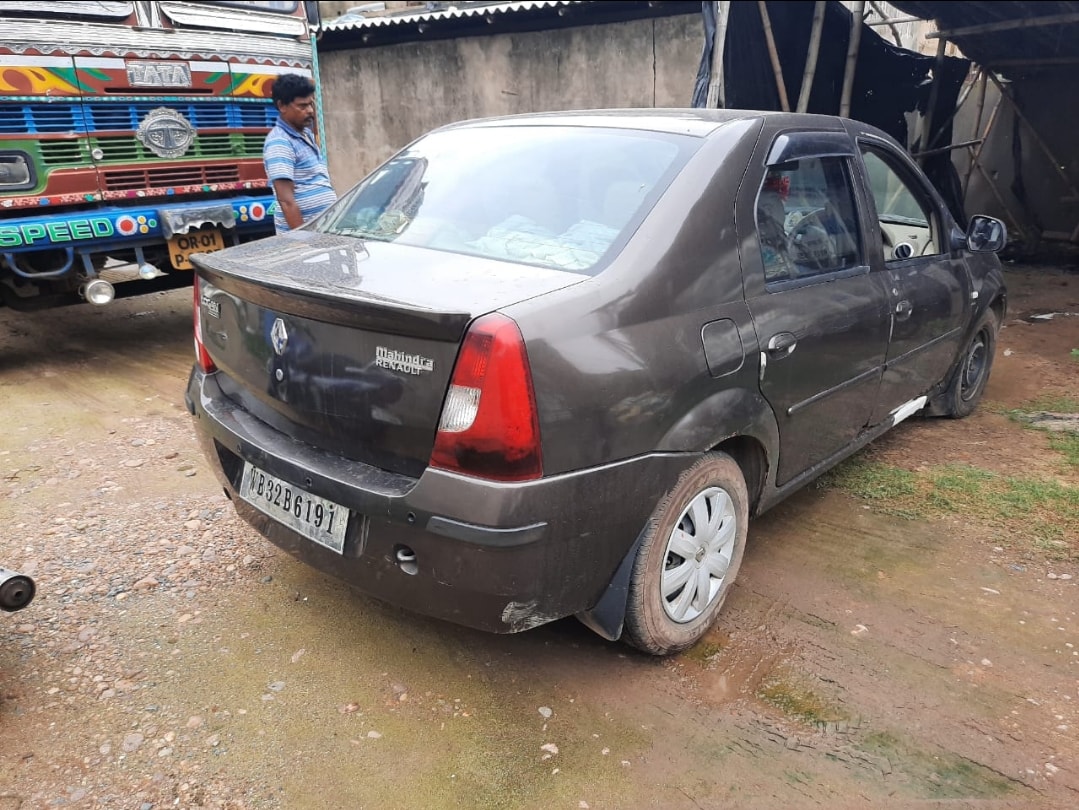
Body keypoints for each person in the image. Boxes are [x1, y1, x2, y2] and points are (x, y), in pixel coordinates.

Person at [263, 73, 337, 233]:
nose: (310, 111)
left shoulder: (306, 135)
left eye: (311, 104)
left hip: (322, 234)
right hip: (305, 243)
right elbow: (286, 200)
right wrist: (304, 241)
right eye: (302, 106)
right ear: (282, 106)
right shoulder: (280, 142)